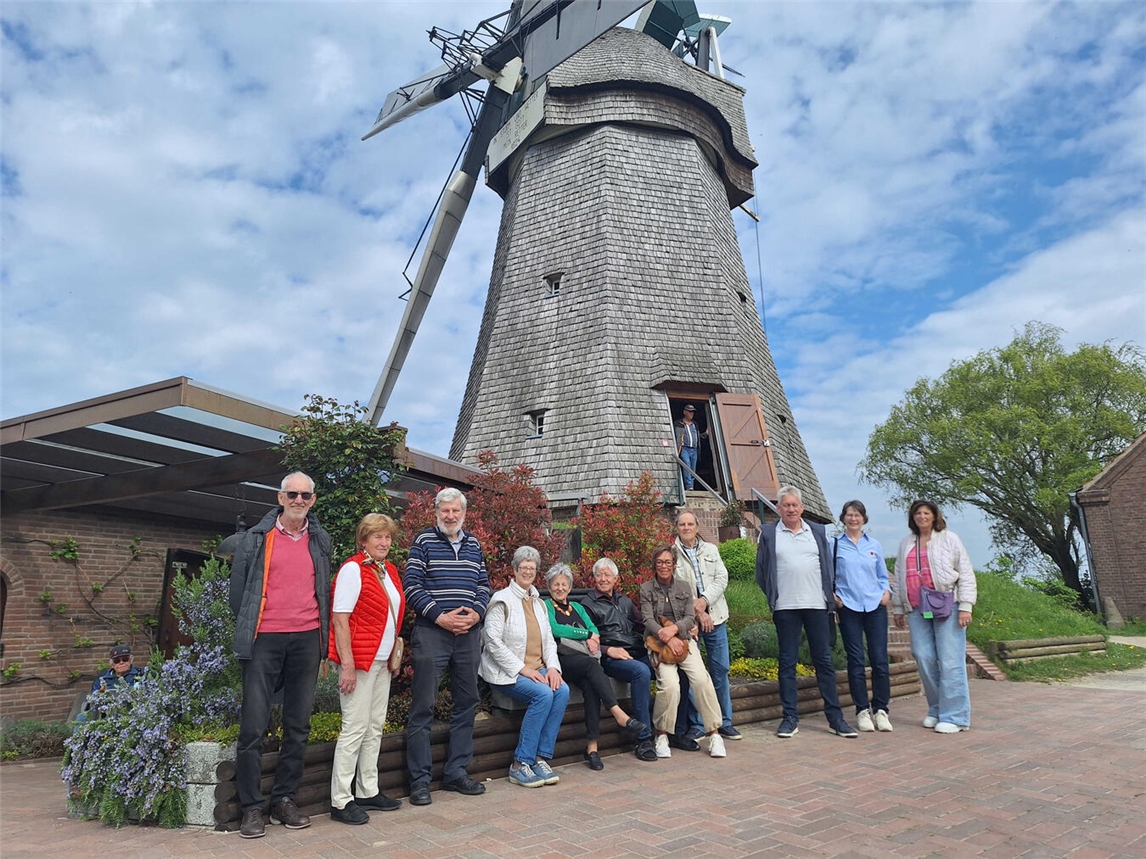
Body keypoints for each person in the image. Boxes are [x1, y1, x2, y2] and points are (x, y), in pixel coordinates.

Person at [229, 472, 332, 839]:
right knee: (253, 726)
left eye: (306, 495)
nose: (299, 500)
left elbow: (322, 590)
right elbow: (238, 593)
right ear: (280, 497)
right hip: (264, 639)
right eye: (293, 494)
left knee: (298, 726)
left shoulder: (320, 541)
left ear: (313, 500)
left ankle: (285, 799)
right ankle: (252, 808)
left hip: (306, 639)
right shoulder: (257, 539)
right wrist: (253, 629)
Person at [404, 487, 491, 806]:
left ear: (463, 513)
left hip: (468, 635)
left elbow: (483, 585)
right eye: (445, 511)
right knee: (423, 706)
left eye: (455, 511)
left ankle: (455, 772)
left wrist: (477, 614)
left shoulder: (474, 544)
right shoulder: (423, 541)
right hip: (433, 633)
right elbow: (411, 586)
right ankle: (420, 781)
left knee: (467, 702)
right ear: (436, 513)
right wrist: (441, 617)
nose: (450, 516)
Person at [755, 485, 856, 740]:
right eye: (785, 505)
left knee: (823, 661)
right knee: (787, 662)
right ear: (778, 509)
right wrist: (773, 596)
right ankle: (790, 718)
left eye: (794, 505)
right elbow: (761, 572)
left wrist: (828, 593)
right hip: (785, 607)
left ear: (801, 507)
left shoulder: (818, 532)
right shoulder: (769, 534)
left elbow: (828, 567)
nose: (790, 509)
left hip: (816, 604)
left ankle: (836, 718)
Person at [328, 514, 405, 825]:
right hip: (359, 662)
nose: (384, 542)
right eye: (377, 537)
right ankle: (340, 799)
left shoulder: (389, 571)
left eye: (387, 537)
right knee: (355, 728)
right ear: (364, 541)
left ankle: (367, 789)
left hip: (382, 661)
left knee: (374, 727)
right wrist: (346, 664)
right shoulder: (353, 570)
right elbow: (339, 619)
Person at [479, 547, 569, 788]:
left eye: (532, 568)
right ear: (515, 570)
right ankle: (520, 764)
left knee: (561, 690)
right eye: (524, 568)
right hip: (508, 672)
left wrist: (553, 669)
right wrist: (522, 669)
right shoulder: (501, 600)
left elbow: (548, 640)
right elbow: (493, 642)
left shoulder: (538, 603)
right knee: (542, 694)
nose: (528, 572)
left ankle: (540, 758)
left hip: (538, 669)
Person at [542, 563, 647, 770]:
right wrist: (587, 635)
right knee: (592, 666)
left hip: (582, 660)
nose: (560, 588)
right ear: (549, 586)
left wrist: (591, 635)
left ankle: (592, 748)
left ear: (570, 587)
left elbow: (593, 629)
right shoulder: (545, 605)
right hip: (559, 660)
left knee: (591, 687)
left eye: (564, 584)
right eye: (556, 584)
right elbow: (555, 629)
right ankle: (619, 714)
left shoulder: (578, 607)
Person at [892, 499, 977, 734]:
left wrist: (966, 606)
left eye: (926, 513)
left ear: (934, 516)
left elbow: (966, 572)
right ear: (912, 517)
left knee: (950, 660)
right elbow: (899, 576)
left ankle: (956, 716)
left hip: (948, 604)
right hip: (918, 607)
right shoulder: (906, 542)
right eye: (917, 513)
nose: (922, 517)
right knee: (922, 655)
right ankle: (937, 709)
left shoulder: (950, 538)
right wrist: (898, 607)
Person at [640, 546, 727, 759]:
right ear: (654, 565)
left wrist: (675, 631)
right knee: (670, 686)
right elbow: (647, 619)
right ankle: (662, 735)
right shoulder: (646, 589)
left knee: (701, 680)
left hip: (685, 642)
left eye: (668, 562)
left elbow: (690, 617)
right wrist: (667, 636)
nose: (664, 566)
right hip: (659, 644)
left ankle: (714, 733)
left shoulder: (685, 587)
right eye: (659, 562)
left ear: (674, 565)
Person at [580, 557, 659, 762]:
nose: (603, 579)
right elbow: (586, 638)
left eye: (608, 575)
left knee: (674, 667)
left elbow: (643, 625)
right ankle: (643, 739)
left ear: (616, 579)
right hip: (611, 659)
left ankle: (678, 730)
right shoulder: (588, 604)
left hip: (637, 652)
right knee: (640, 673)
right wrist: (608, 650)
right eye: (599, 574)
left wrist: (665, 635)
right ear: (594, 578)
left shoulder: (625, 601)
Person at [673, 509, 741, 742]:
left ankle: (725, 721)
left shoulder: (711, 550)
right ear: (677, 528)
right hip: (689, 622)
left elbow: (721, 579)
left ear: (697, 527)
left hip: (717, 616)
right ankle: (699, 723)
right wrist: (697, 612)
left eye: (690, 524)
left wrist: (703, 601)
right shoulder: (672, 554)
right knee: (695, 673)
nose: (686, 528)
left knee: (720, 669)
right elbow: (677, 588)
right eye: (682, 524)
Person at [833, 500, 893, 733]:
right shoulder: (835, 544)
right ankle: (862, 710)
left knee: (879, 659)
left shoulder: (874, 545)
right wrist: (834, 596)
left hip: (874, 605)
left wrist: (886, 592)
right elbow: (829, 574)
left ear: (864, 518)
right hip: (849, 606)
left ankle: (881, 709)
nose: (853, 518)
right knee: (856, 660)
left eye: (857, 515)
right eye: (849, 514)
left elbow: (882, 574)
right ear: (843, 518)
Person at [76, 644, 146, 722]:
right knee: (81, 717)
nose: (121, 662)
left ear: (131, 660)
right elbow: (94, 697)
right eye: (117, 661)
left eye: (125, 659)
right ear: (112, 664)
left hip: (131, 714)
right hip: (105, 713)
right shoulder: (102, 677)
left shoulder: (141, 674)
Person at [674, 404, 707, 490]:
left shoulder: (695, 424)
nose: (692, 413)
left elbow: (697, 436)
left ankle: (691, 486)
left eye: (693, 412)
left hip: (694, 449)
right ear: (685, 412)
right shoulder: (679, 423)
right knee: (687, 465)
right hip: (685, 448)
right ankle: (688, 485)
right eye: (690, 411)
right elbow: (676, 435)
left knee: (693, 469)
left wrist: (705, 434)